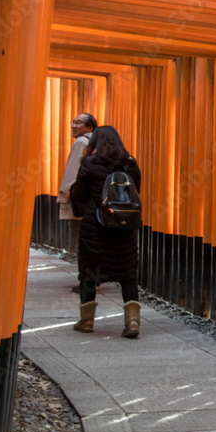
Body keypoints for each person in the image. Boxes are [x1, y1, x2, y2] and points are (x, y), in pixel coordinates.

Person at [69, 126, 143, 338]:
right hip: (124, 230)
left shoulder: (90, 164)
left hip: (95, 230)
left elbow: (80, 196)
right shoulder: (131, 164)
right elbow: (135, 193)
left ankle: (87, 320)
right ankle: (132, 322)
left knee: (89, 274)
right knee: (127, 276)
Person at [58, 113, 97, 293]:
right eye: (73, 122)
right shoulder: (98, 143)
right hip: (94, 201)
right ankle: (93, 277)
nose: (74, 125)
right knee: (92, 240)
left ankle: (86, 281)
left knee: (80, 240)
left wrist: (63, 195)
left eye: (79, 123)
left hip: (79, 200)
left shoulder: (81, 142)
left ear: (90, 127)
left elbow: (72, 171)